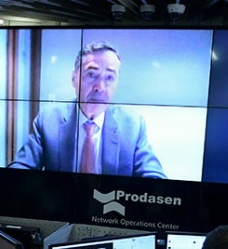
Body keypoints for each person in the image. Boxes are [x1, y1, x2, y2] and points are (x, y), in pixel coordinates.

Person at [8, 41, 166, 178]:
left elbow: (154, 177)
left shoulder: (132, 124)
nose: (100, 87)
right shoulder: (49, 119)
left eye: (109, 77)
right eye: (91, 74)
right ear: (74, 78)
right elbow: (21, 169)